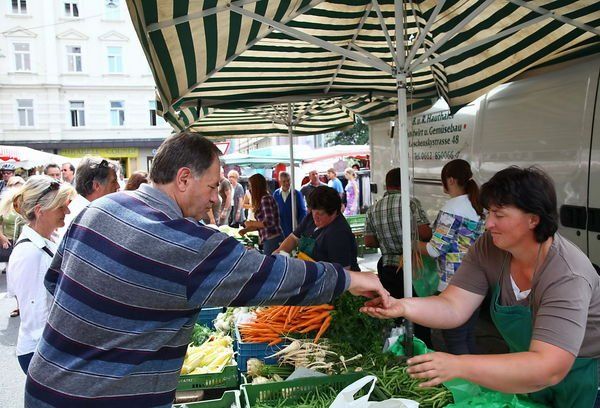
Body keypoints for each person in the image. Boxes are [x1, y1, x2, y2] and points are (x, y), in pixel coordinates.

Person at [24, 132, 388, 407]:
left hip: (44, 386)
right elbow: (271, 276)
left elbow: (55, 284)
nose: (216, 197)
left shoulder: (99, 210)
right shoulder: (185, 243)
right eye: (213, 186)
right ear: (184, 178)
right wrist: (348, 278)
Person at [362, 166, 600, 408]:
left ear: (533, 219)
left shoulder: (567, 274)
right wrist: (402, 306)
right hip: (525, 372)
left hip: (583, 379)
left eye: (499, 215)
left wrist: (459, 365)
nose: (488, 224)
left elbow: (549, 367)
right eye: (488, 213)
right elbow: (453, 305)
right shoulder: (490, 246)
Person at [5, 176, 75, 374]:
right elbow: (37, 320)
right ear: (40, 210)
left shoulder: (45, 241)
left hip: (48, 351)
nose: (67, 211)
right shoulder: (30, 253)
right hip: (42, 353)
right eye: (61, 206)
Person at [415, 159, 485, 355]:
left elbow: (434, 250)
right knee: (468, 336)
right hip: (478, 281)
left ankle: (464, 375)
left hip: (453, 283)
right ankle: (474, 373)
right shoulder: (479, 206)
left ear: (451, 180)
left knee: (455, 340)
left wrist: (412, 245)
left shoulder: (452, 209)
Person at [364, 167, 433, 346]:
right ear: (404, 183)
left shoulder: (374, 208)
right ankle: (421, 348)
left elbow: (369, 241)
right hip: (412, 267)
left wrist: (386, 239)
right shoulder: (410, 203)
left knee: (394, 311)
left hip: (387, 266)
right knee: (418, 313)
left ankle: (397, 348)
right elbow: (425, 233)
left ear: (387, 184)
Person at [276, 185, 360, 271]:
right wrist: (277, 255)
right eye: (313, 211)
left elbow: (344, 272)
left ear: (334, 212)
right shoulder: (311, 217)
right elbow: (293, 238)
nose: (315, 217)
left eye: (321, 214)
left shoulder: (339, 233)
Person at [56, 157, 120, 238]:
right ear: (96, 185)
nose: (118, 186)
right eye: (113, 181)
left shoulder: (81, 210)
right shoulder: (88, 217)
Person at [240, 174, 285, 255]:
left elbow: (269, 222)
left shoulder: (265, 199)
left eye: (250, 186)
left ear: (256, 187)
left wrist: (251, 223)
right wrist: (246, 230)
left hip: (273, 239)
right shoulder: (263, 199)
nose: (249, 189)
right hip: (270, 239)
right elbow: (262, 225)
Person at [1, 176, 25, 318]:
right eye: (13, 184)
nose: (17, 187)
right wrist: (2, 238)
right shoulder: (4, 204)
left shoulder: (28, 202)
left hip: (26, 243)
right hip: (10, 243)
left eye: (19, 184)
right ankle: (19, 305)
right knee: (13, 277)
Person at [273, 171, 307, 237]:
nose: (287, 183)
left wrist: (299, 228)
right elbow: (274, 211)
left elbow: (303, 212)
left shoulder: (296, 194)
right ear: (280, 182)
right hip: (280, 230)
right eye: (284, 181)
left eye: (288, 180)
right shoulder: (276, 194)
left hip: (294, 228)